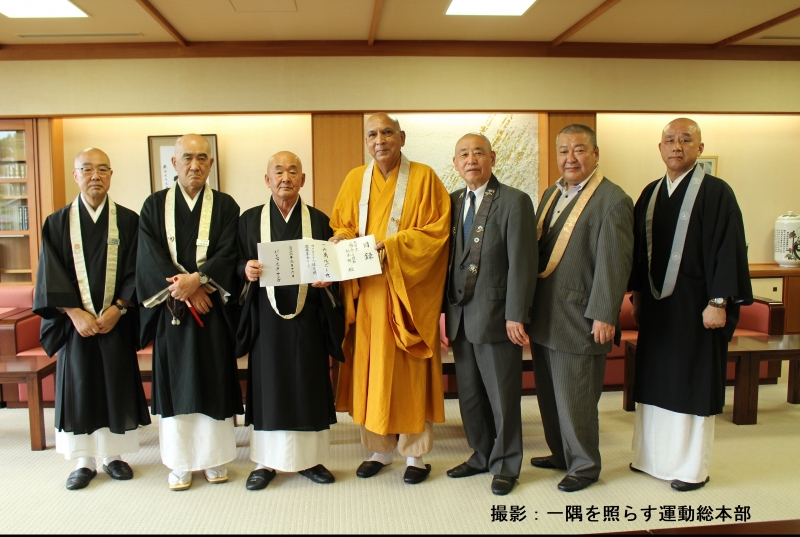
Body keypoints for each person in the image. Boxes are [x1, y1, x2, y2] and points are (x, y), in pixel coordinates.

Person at [628, 118, 752, 492]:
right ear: (660, 148)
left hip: (698, 310)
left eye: (685, 140)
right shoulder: (650, 194)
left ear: (699, 148)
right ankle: (650, 459)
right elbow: (639, 253)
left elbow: (728, 249)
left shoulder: (717, 193)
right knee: (655, 381)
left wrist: (719, 301)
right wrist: (637, 296)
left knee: (691, 383)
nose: (676, 146)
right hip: (657, 311)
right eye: (670, 140)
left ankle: (690, 468)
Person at [330, 113, 451, 484]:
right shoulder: (355, 179)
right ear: (366, 141)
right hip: (368, 293)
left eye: (387, 132)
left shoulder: (425, 178)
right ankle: (379, 450)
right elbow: (343, 225)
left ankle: (415, 455)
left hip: (408, 294)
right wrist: (340, 240)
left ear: (402, 137)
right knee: (372, 371)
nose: (379, 140)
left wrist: (393, 247)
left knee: (410, 371)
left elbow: (437, 233)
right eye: (372, 134)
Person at [33, 148, 150, 490]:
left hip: (116, 321)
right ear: (76, 175)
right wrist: (73, 313)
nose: (94, 176)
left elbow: (138, 269)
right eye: (87, 169)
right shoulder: (57, 223)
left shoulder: (128, 221)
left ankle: (114, 456)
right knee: (80, 386)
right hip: (75, 326)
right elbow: (50, 273)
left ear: (111, 175)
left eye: (102, 169)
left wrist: (120, 307)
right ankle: (83, 461)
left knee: (115, 382)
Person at [529, 124, 634, 492]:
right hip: (544, 313)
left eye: (579, 150)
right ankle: (560, 453)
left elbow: (615, 262)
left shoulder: (613, 200)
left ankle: (585, 466)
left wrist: (605, 313)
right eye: (563, 151)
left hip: (580, 317)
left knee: (576, 396)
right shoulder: (551, 194)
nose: (570, 158)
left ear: (595, 154)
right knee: (550, 393)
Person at [136, 134, 242, 491]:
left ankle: (215, 459)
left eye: (201, 158)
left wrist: (200, 281)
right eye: (187, 158)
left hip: (212, 312)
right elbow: (149, 256)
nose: (194, 165)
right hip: (173, 311)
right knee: (176, 382)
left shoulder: (226, 206)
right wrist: (184, 289)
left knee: (214, 379)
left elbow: (230, 252)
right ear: (174, 163)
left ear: (210, 163)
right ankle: (179, 462)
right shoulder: (154, 205)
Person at [236, 151, 344, 490]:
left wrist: (328, 278)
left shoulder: (320, 220)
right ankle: (265, 462)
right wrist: (245, 269)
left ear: (303, 180)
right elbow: (234, 261)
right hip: (265, 322)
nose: (286, 178)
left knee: (307, 382)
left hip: (308, 318)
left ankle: (311, 460)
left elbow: (333, 266)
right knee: (269, 385)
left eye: (293, 171)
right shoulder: (249, 220)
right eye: (279, 171)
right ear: (267, 180)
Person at [442, 134, 537, 496]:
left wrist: (516, 315)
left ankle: (507, 464)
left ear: (492, 158)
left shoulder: (514, 201)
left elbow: (522, 263)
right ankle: (481, 454)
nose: (471, 160)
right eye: (463, 154)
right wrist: (441, 313)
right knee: (470, 397)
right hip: (459, 318)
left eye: (478, 153)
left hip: (498, 318)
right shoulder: (451, 202)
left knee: (502, 398)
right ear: (455, 163)